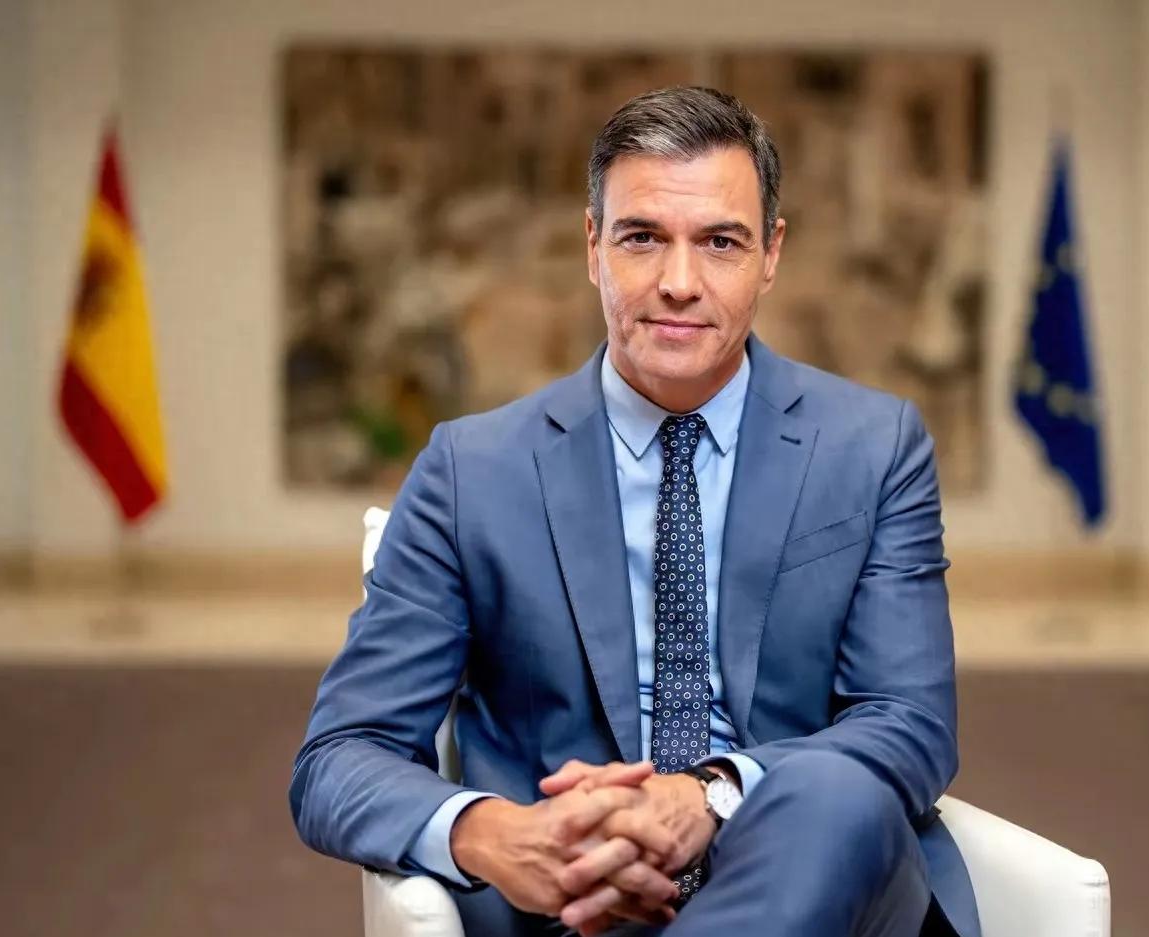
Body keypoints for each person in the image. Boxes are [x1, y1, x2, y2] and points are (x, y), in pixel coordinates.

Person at [290, 86, 979, 937]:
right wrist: (495, 832)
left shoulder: (872, 448)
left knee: (835, 793)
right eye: (642, 238)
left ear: (770, 254)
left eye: (719, 242)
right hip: (575, 910)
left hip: (820, 882)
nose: (677, 283)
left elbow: (909, 724)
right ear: (593, 247)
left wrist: (707, 794)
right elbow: (338, 756)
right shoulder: (472, 471)